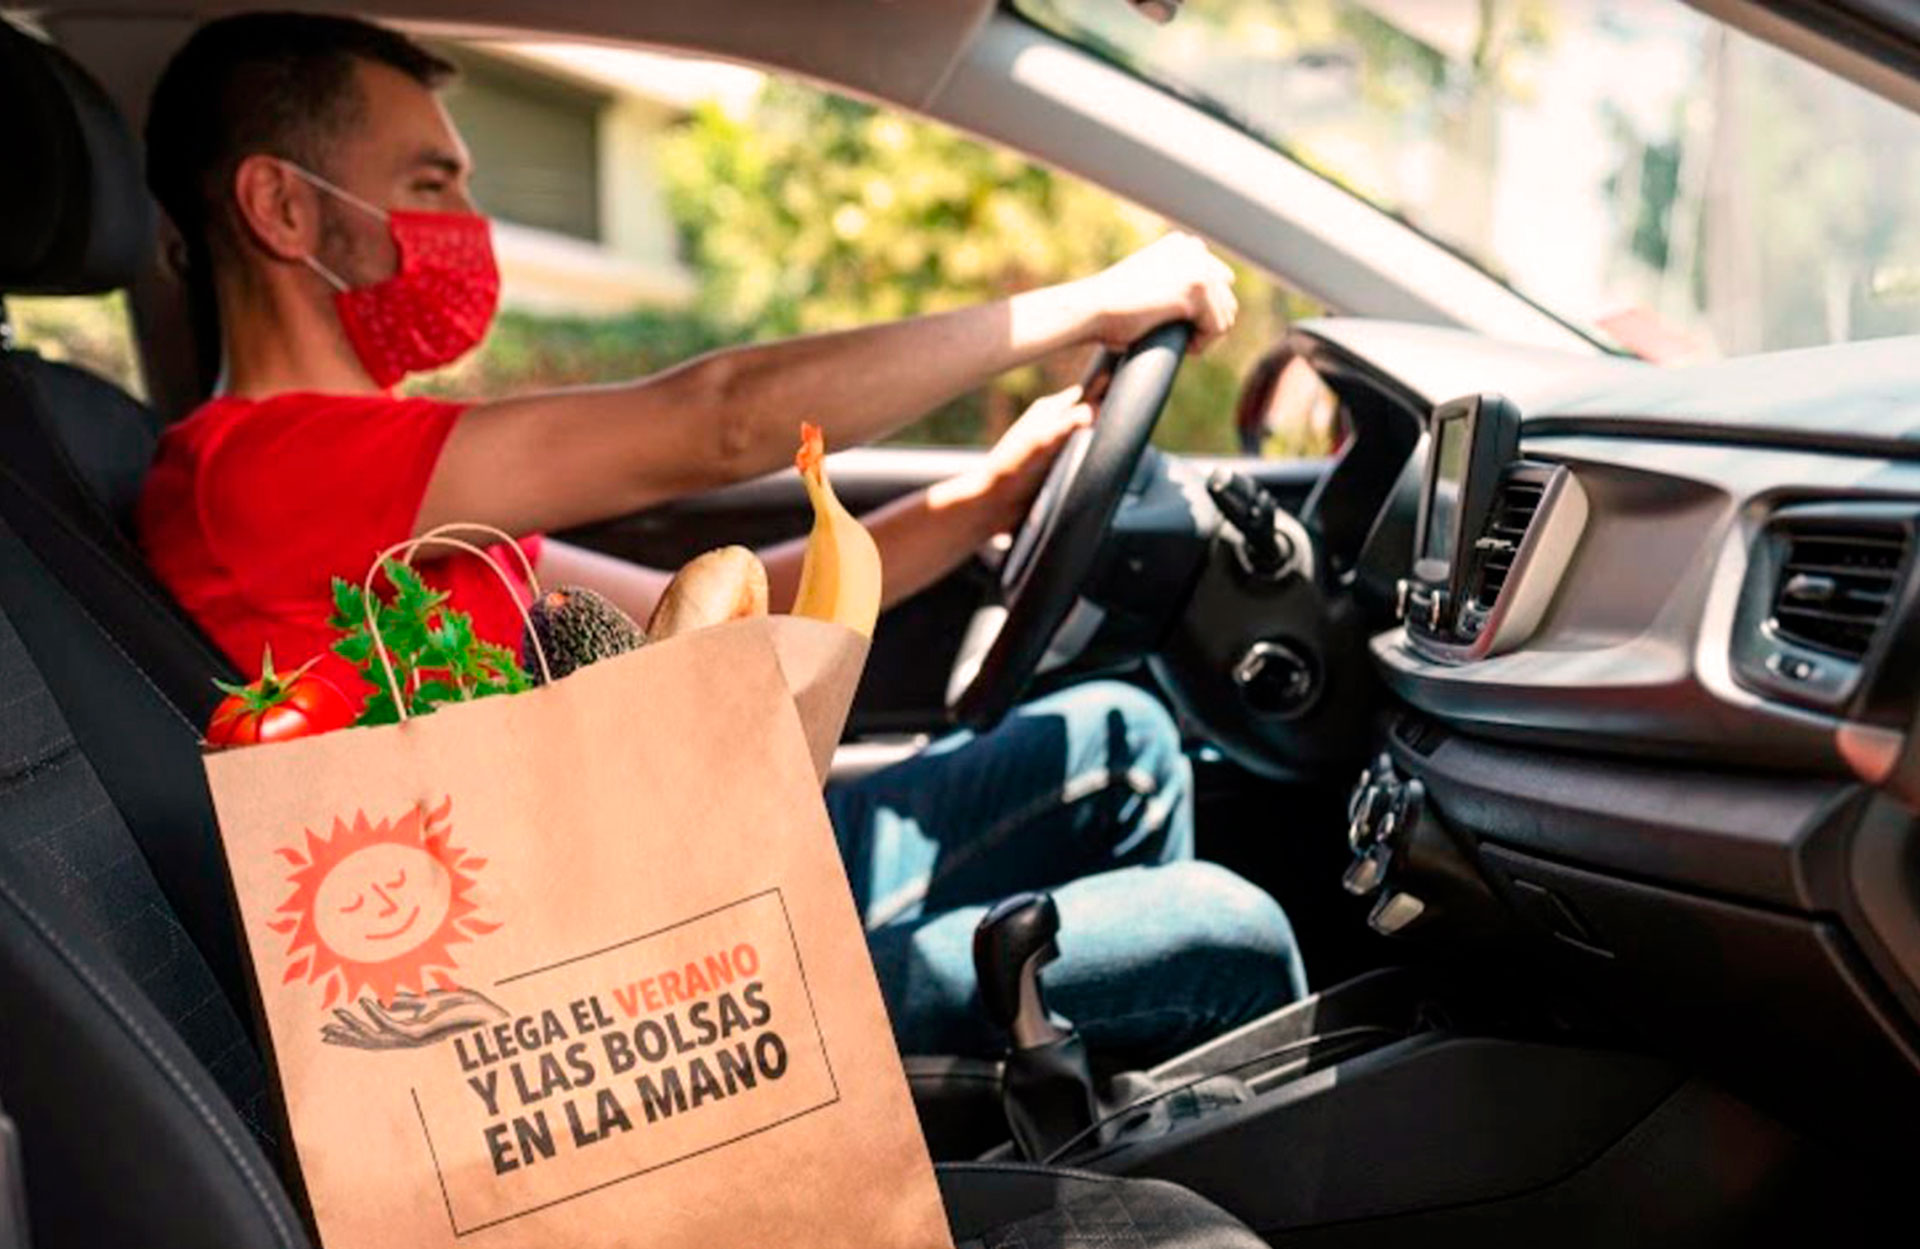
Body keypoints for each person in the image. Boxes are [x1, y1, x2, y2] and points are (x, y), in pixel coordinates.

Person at [136, 11, 1307, 1067]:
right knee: (1228, 937)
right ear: (283, 209)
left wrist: (988, 497)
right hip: (616, 1008)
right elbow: (724, 421)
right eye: (432, 182)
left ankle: (1089, 1128)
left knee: (1120, 735)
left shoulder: (379, 474)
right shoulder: (261, 469)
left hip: (661, 897)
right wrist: (1092, 304)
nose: (469, 228)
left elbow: (697, 615)